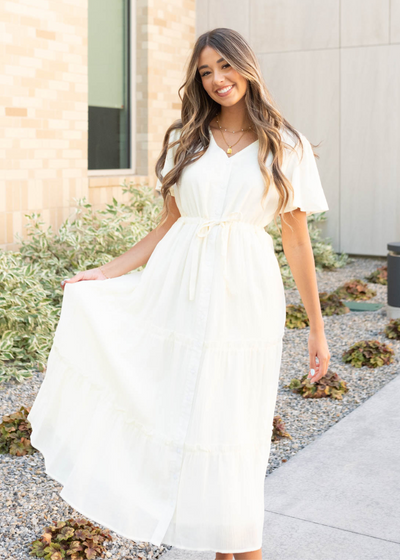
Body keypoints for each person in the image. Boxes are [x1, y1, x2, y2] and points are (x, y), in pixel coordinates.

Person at [27, 28, 331, 560]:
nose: (217, 79)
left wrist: (317, 328)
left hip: (246, 294)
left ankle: (241, 547)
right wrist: (107, 271)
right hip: (178, 292)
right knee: (181, 412)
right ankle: (212, 539)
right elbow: (167, 225)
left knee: (236, 426)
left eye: (225, 67)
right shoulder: (184, 139)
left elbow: (296, 237)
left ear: (247, 67)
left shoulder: (287, 144)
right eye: (205, 71)